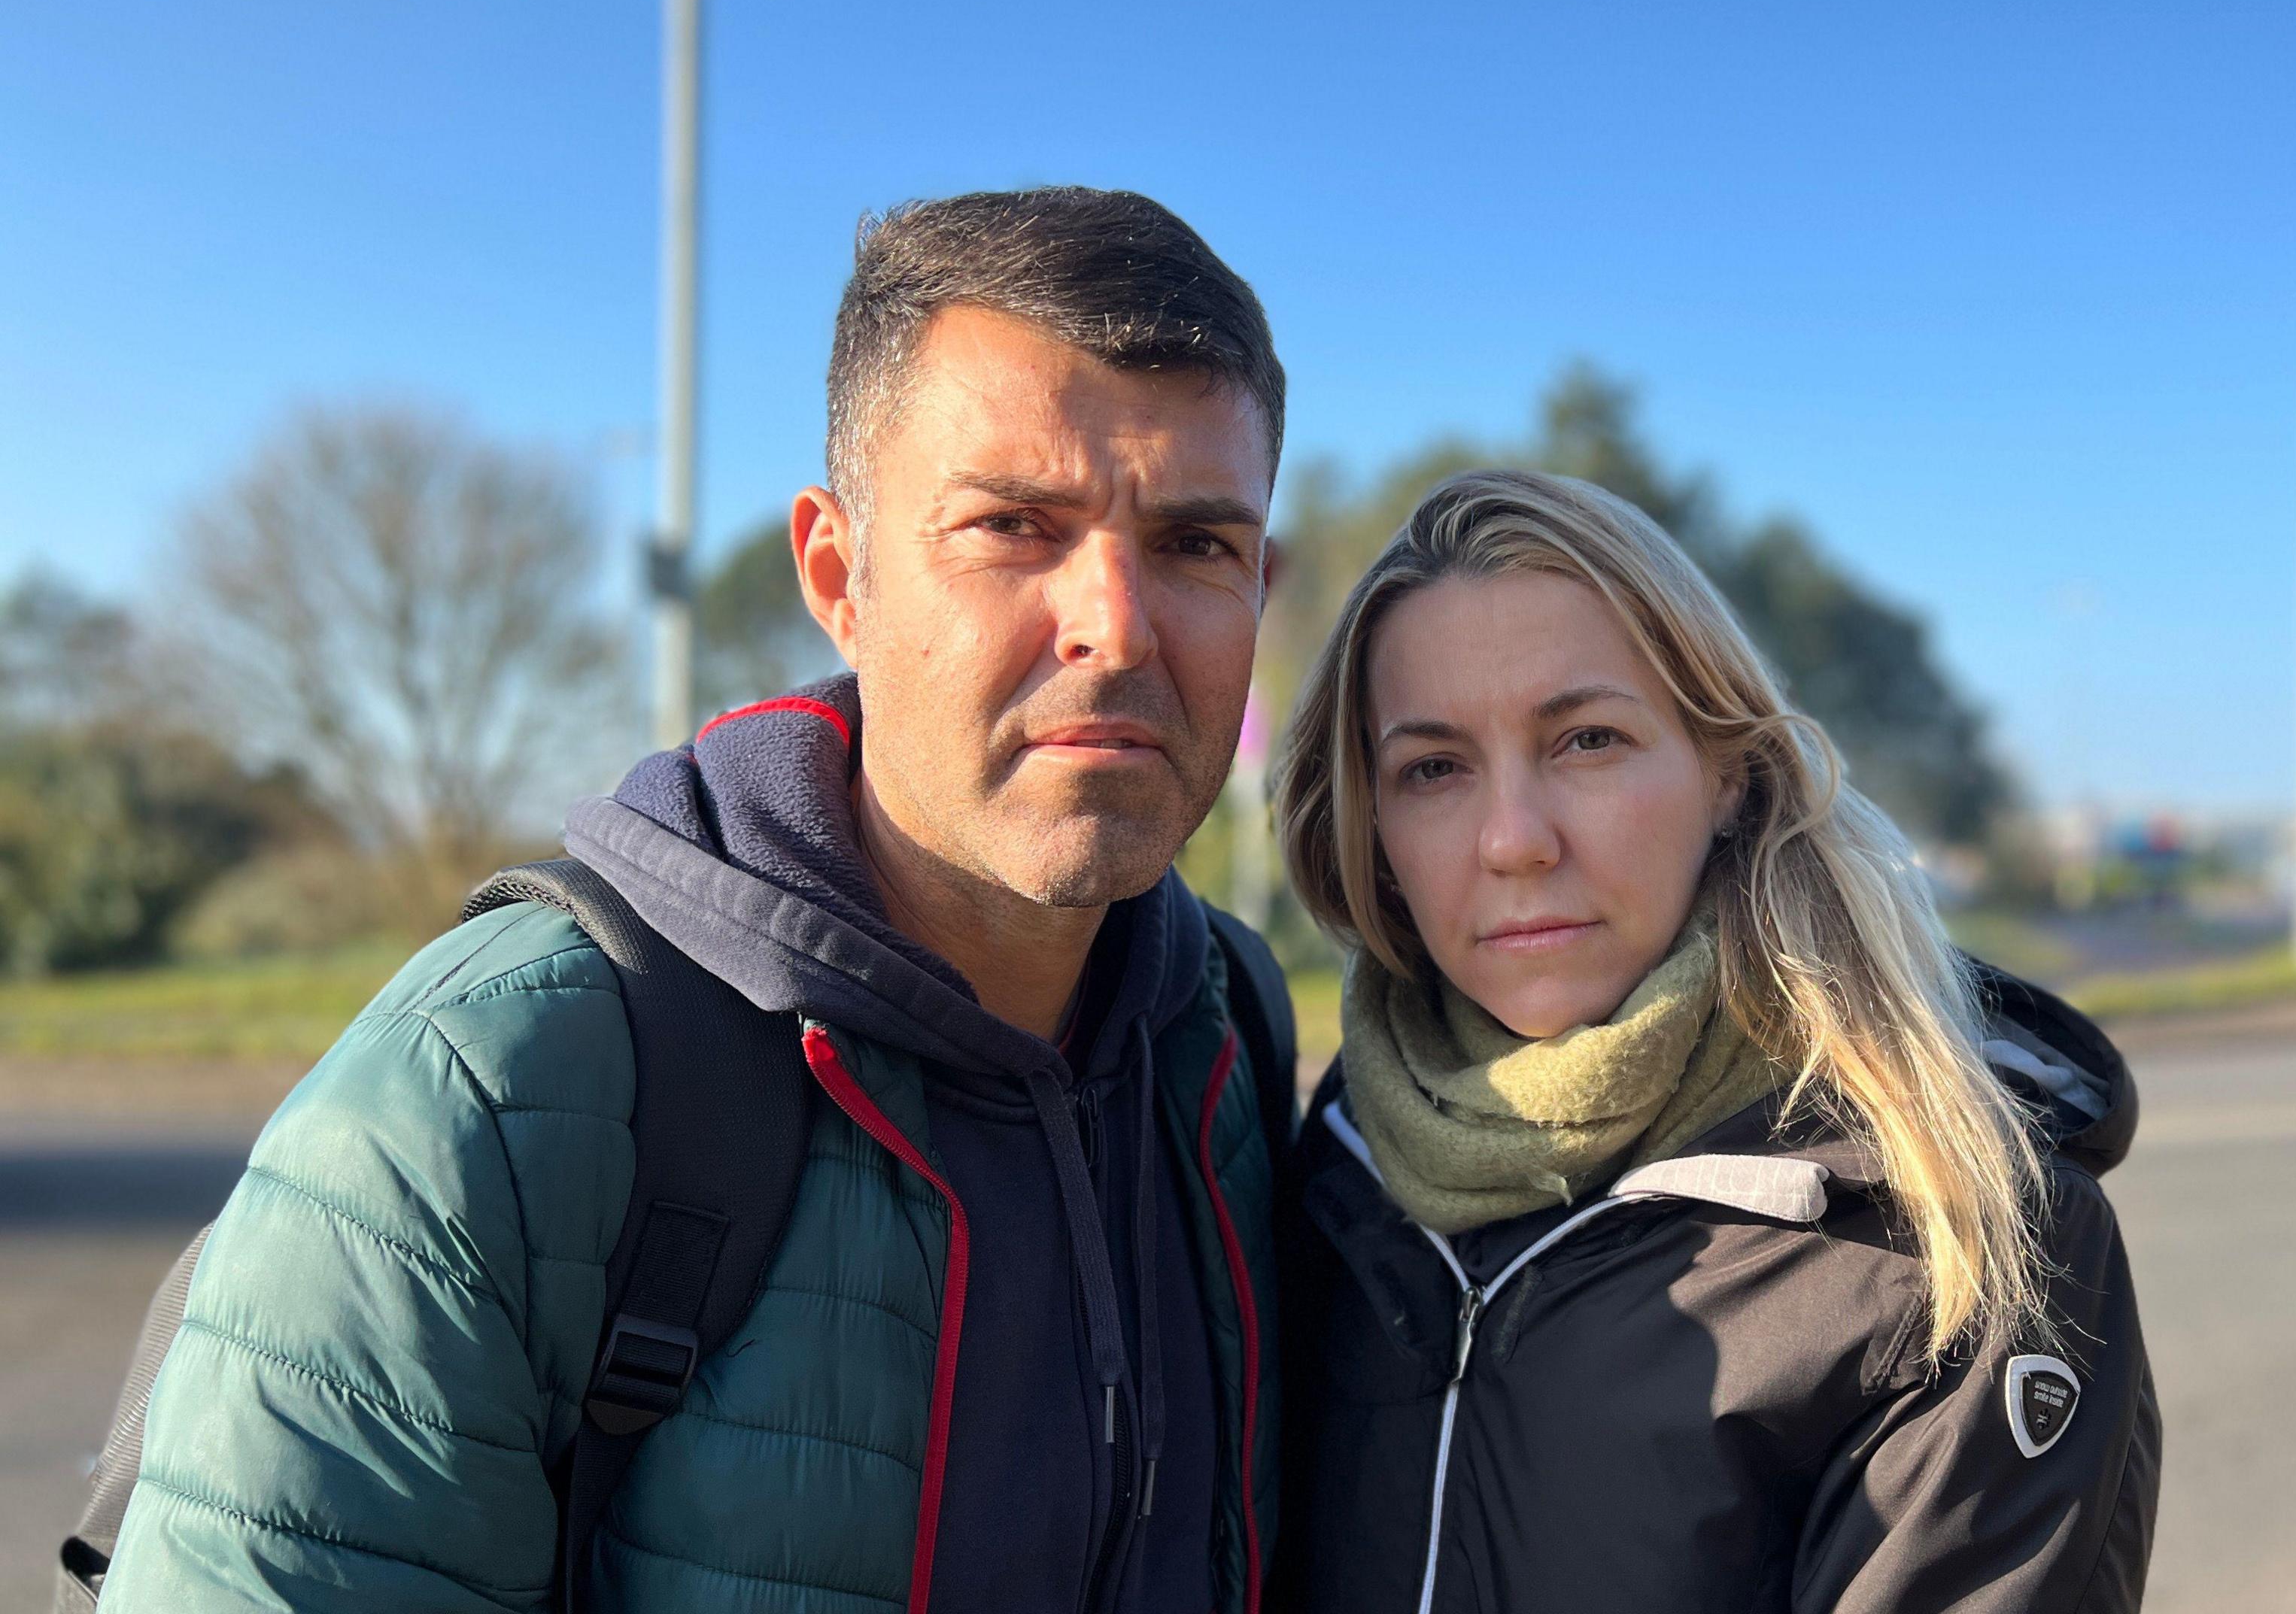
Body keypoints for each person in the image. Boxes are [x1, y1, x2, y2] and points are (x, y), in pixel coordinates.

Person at [101, 188, 1292, 1614]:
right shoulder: (484, 1097)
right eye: (1016, 526)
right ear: (840, 579)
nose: (1117, 621)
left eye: (1198, 544)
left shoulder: (1223, 1037)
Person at [1268, 471, 2160, 1613]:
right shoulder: (1339, 1157)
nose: (1512, 840)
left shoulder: (1957, 1235)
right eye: (1432, 768)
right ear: (1372, 825)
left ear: (1727, 772)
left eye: (1586, 739)